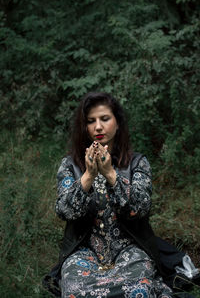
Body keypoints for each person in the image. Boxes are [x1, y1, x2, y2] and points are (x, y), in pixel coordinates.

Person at [43, 92, 199, 298]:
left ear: (117, 123)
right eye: (91, 121)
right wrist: (88, 175)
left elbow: (140, 208)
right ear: (85, 127)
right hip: (84, 251)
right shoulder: (70, 165)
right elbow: (64, 210)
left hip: (130, 249)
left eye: (105, 119)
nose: (98, 127)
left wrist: (110, 174)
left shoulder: (137, 163)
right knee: (74, 291)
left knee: (138, 289)